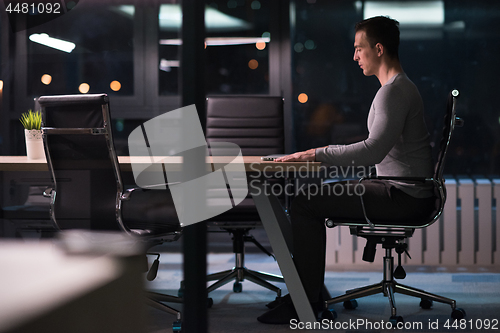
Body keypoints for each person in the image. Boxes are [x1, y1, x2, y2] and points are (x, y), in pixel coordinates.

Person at [257, 16, 436, 324]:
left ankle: (307, 301)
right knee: (311, 196)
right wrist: (322, 156)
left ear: (378, 49)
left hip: (402, 196)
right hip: (403, 190)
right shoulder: (397, 89)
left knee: (305, 201)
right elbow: (376, 146)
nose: (354, 56)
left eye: (359, 48)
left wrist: (315, 153)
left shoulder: (394, 92)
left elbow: (372, 151)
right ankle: (308, 293)